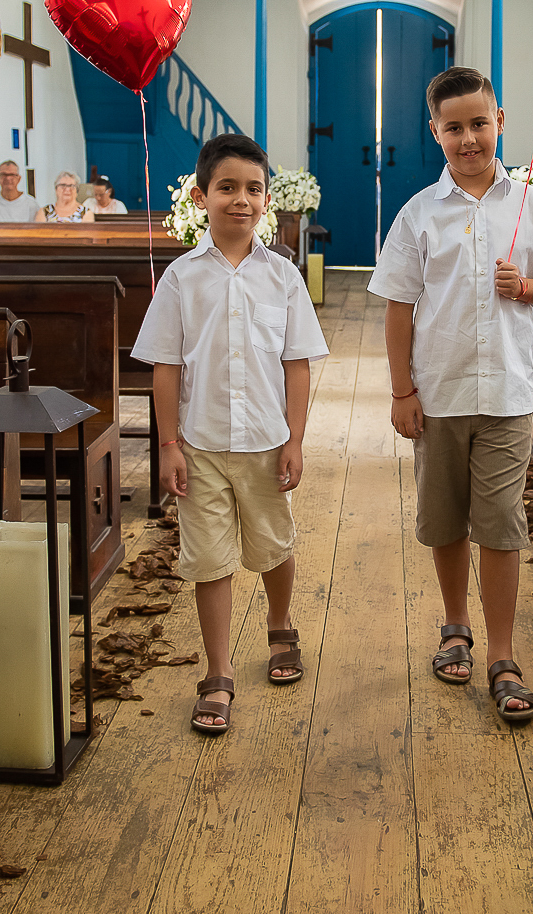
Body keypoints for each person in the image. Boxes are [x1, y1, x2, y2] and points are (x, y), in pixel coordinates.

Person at [367, 66, 533, 726]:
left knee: (502, 526)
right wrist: (402, 390)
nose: (468, 139)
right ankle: (455, 625)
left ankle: (503, 658)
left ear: (500, 121)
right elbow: (397, 307)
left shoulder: (529, 205)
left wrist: (525, 287)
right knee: (445, 519)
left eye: (478, 123)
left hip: (508, 391)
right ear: (434, 133)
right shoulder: (419, 214)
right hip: (441, 389)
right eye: (453, 128)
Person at [131, 133, 328, 735]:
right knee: (208, 557)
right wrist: (168, 445)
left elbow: (297, 364)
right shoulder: (181, 279)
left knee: (273, 543)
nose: (240, 200)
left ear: (266, 200)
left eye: (253, 189)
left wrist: (294, 439)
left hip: (267, 441)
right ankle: (217, 671)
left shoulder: (284, 276)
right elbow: (166, 367)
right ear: (201, 196)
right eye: (227, 188)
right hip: (201, 444)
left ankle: (279, 625)